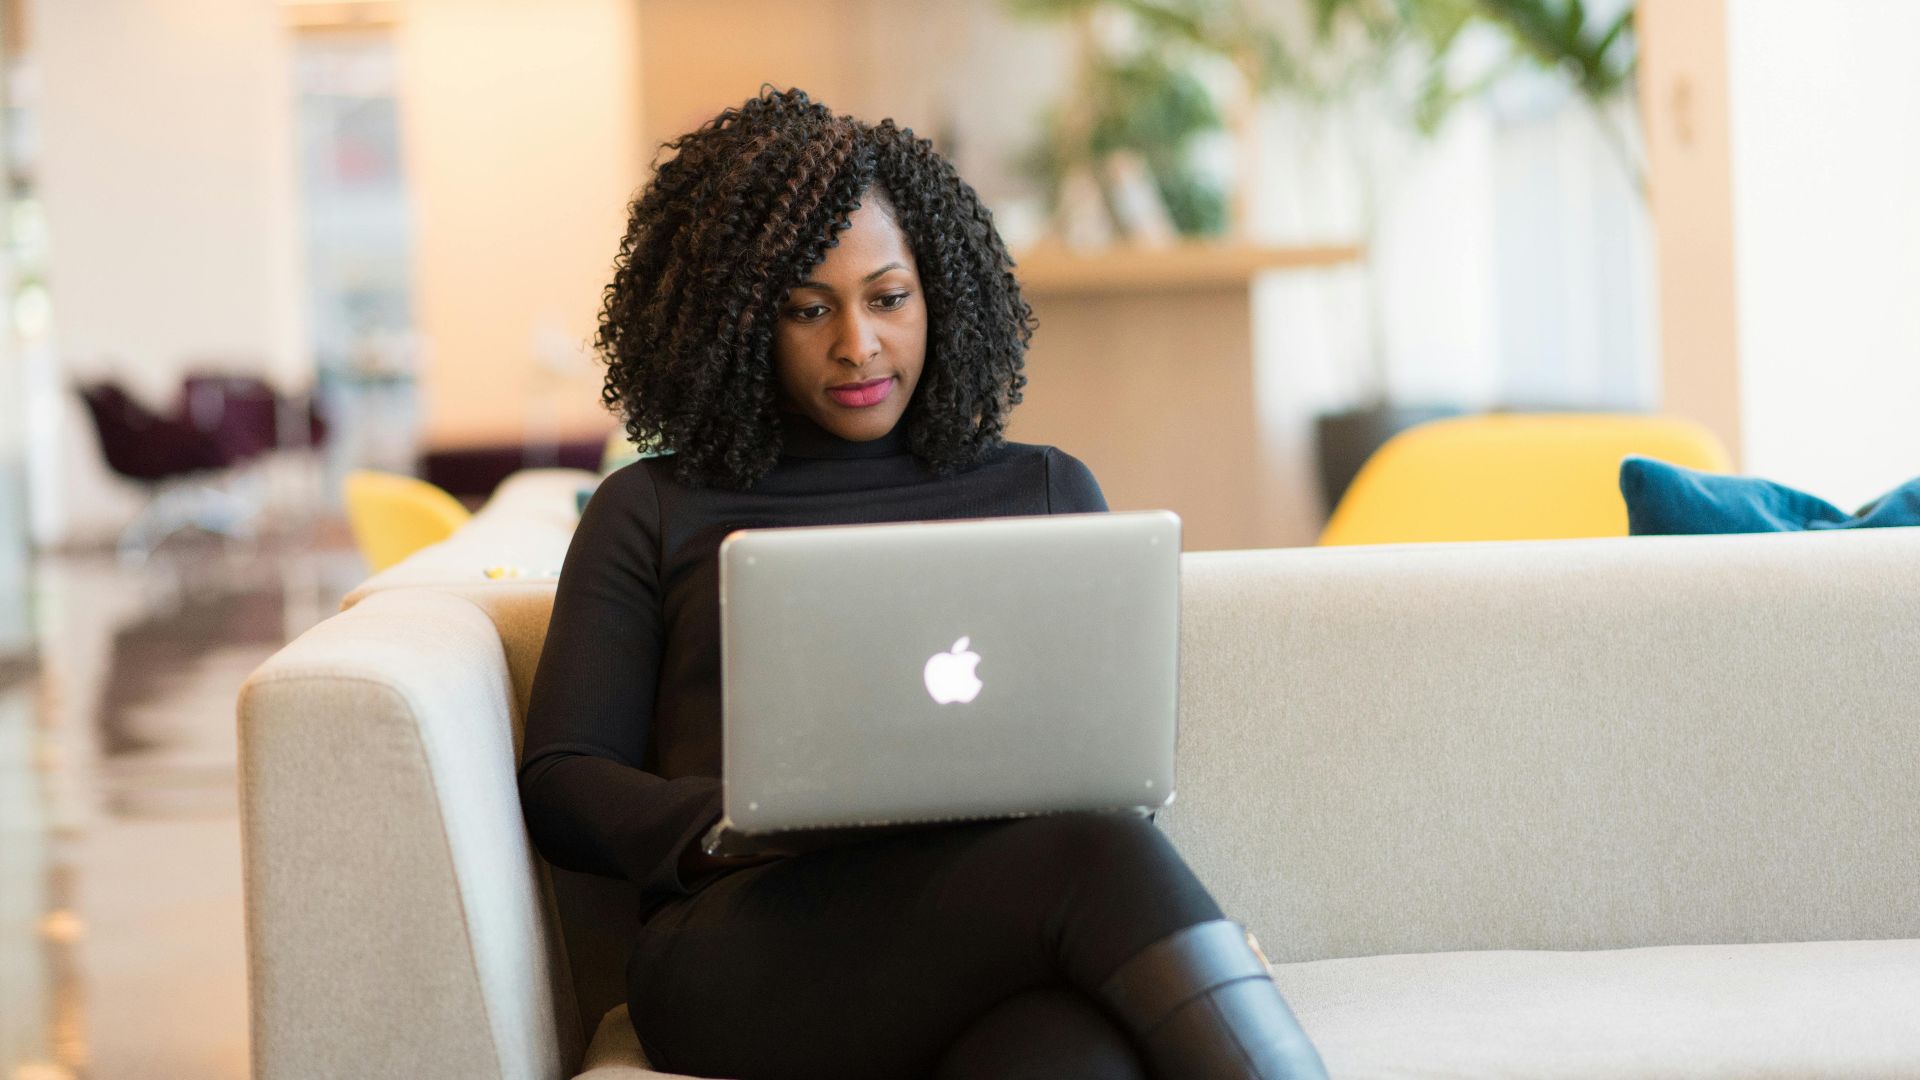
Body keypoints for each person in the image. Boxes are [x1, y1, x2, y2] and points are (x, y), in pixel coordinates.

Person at [518, 87, 1326, 1080]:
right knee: (1098, 860)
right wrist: (734, 820)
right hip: (747, 945)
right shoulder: (650, 506)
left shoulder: (1046, 488)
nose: (857, 344)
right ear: (733, 326)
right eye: (807, 310)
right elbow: (562, 781)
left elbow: (1104, 755)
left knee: (1073, 1051)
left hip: (999, 918)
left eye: (888, 298)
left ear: (941, 291)